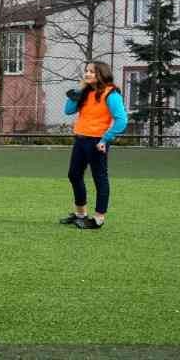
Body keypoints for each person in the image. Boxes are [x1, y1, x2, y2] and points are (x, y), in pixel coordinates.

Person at [60, 59, 127, 231]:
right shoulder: (86, 92)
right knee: (74, 175)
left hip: (97, 142)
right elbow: (68, 110)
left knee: (99, 178)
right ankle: (80, 214)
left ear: (101, 74)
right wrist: (79, 89)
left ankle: (98, 219)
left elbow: (121, 120)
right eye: (86, 71)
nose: (87, 74)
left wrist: (105, 139)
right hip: (81, 139)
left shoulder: (111, 94)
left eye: (91, 71)